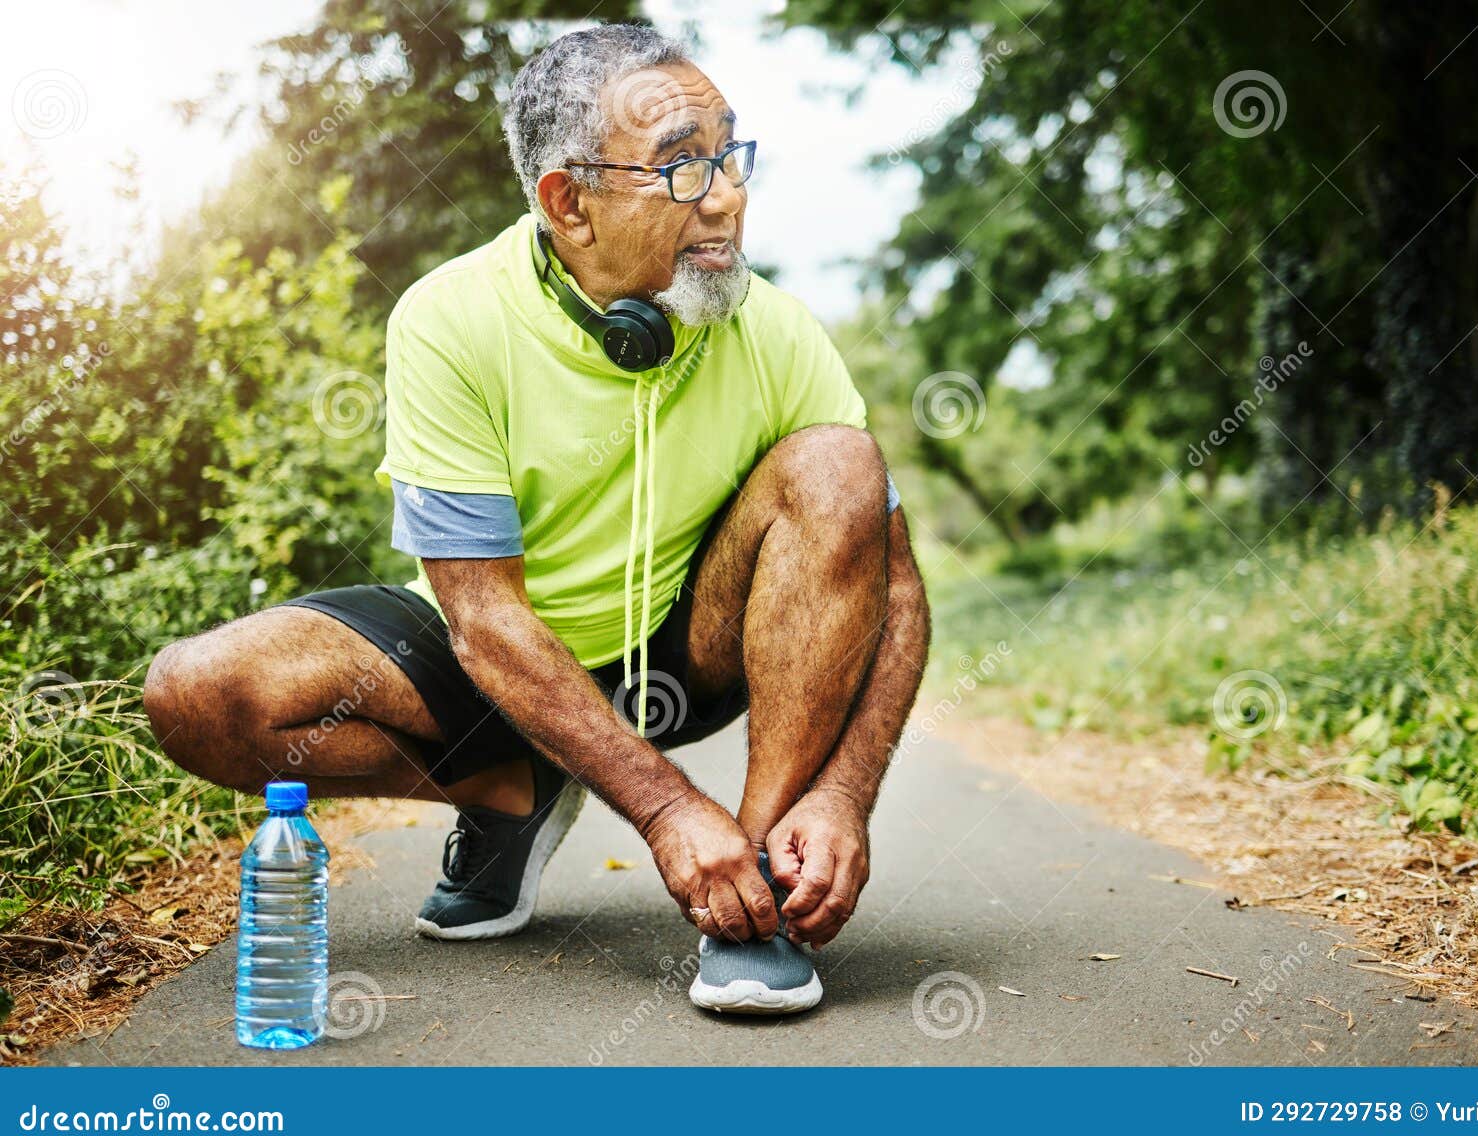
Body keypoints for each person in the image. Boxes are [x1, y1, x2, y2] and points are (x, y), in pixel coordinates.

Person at [143, 23, 930, 1016]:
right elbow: (485, 620)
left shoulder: (775, 329)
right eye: (681, 166)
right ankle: (504, 786)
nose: (726, 192)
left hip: (687, 650)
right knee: (196, 692)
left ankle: (756, 884)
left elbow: (896, 589)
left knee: (837, 462)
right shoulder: (450, 318)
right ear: (569, 203)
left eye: (729, 153)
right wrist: (665, 809)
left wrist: (843, 793)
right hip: (497, 661)